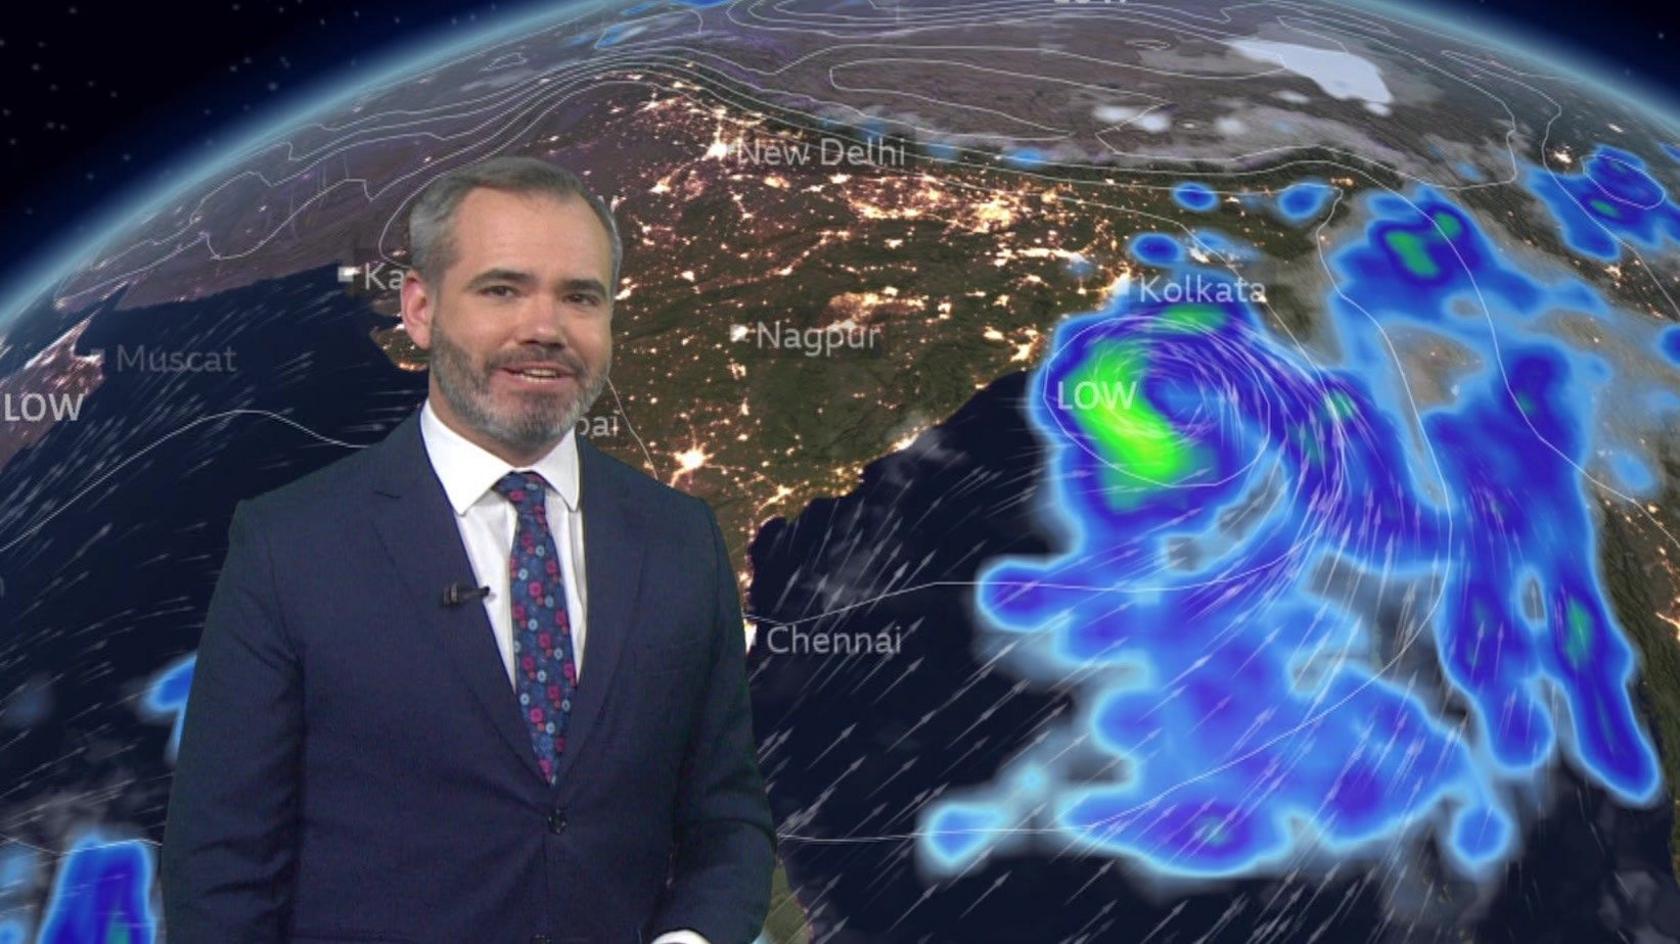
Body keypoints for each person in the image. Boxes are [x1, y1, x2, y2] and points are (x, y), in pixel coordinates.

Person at [161, 155, 776, 944]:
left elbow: (727, 820)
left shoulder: (679, 537)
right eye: (502, 289)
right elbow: (221, 866)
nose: (545, 328)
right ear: (420, 310)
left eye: (580, 297)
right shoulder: (291, 544)